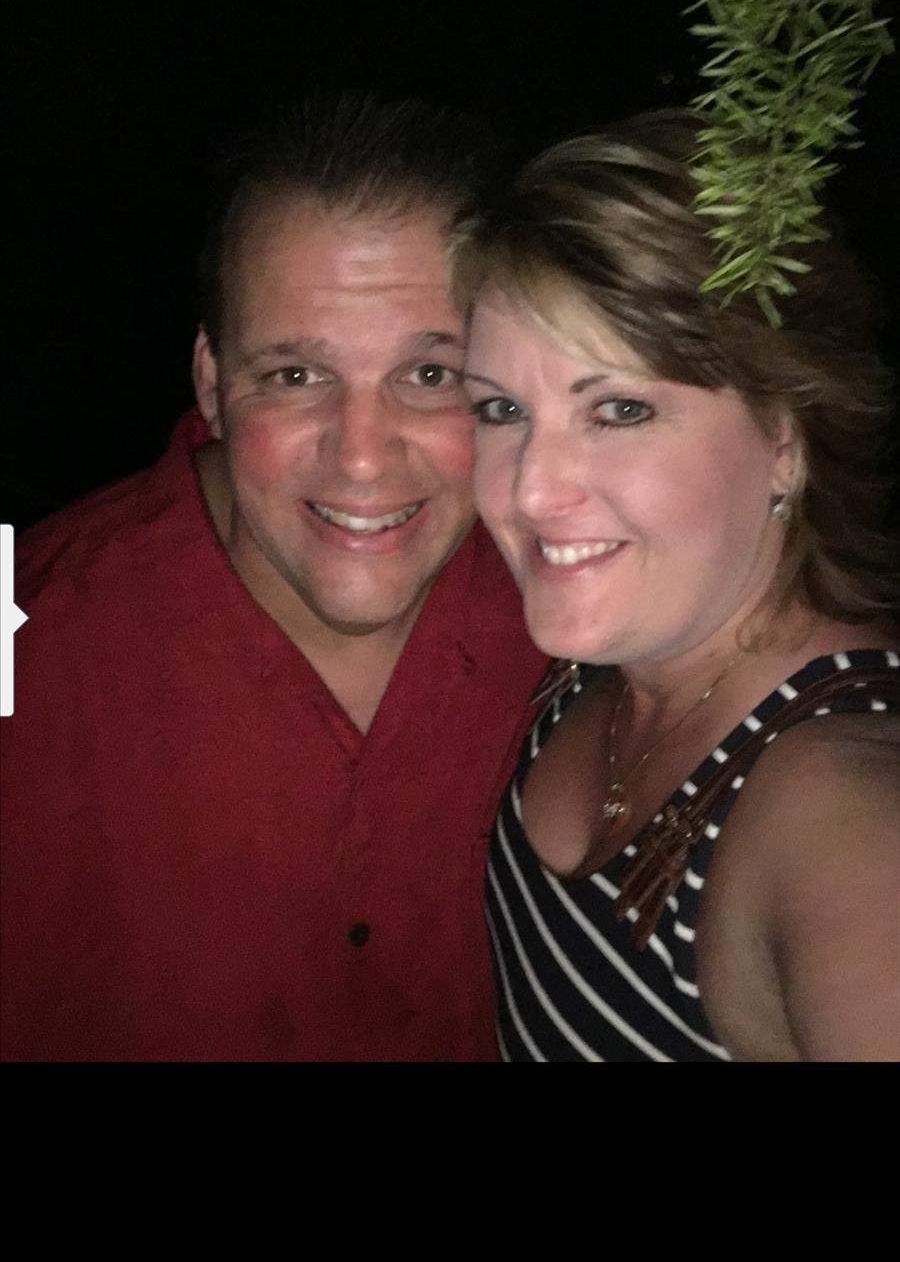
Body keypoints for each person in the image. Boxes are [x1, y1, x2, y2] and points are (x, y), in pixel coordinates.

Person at [1, 92, 546, 1063]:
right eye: (295, 376)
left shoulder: (587, 623)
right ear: (212, 383)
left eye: (431, 375)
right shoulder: (26, 640)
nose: (364, 457)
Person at [453, 110, 900, 1062]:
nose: (527, 491)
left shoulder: (838, 796)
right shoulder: (607, 658)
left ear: (786, 439)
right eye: (500, 408)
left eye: (619, 409)